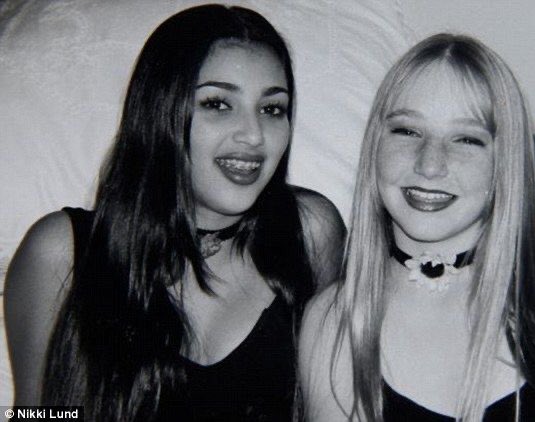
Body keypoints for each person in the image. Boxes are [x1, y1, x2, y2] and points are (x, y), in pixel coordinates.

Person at [4, 5, 345, 421]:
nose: (254, 135)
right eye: (218, 104)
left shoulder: (310, 232)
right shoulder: (61, 252)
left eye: (272, 109)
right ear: (159, 110)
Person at [299, 33, 535, 422]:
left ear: (505, 163)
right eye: (407, 131)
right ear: (375, 144)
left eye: (466, 140)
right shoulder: (334, 320)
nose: (430, 164)